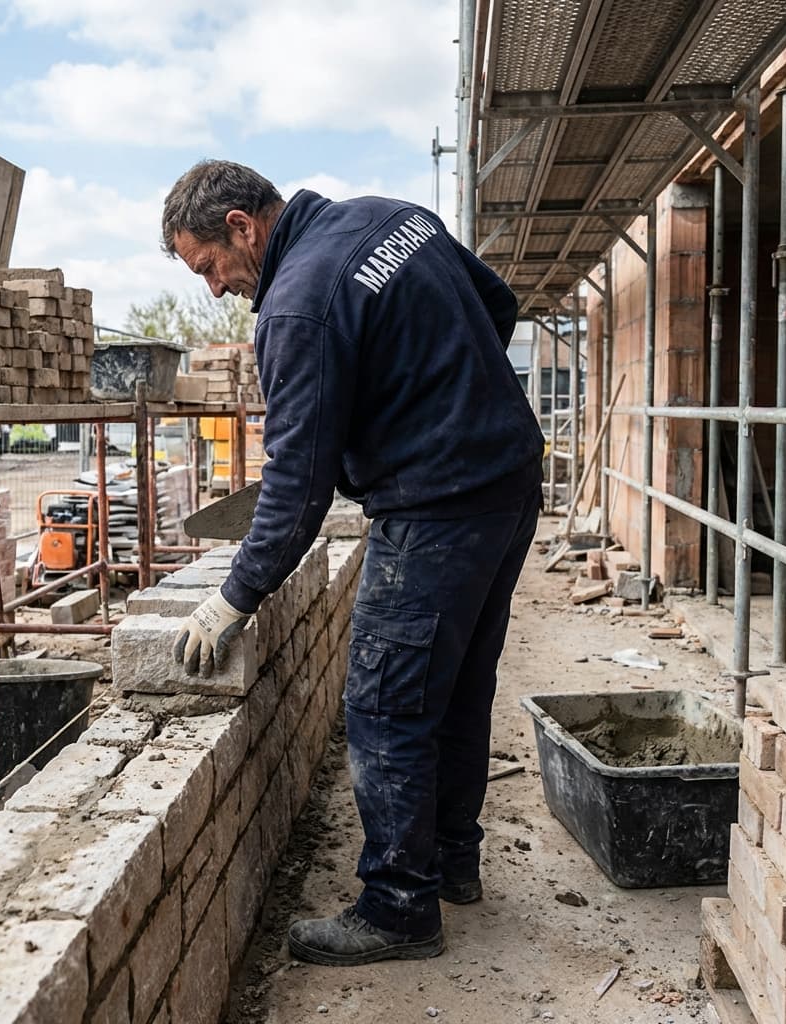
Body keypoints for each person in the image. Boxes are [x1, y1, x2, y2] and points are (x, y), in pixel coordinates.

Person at [163, 160, 544, 966]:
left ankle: (400, 906)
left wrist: (233, 598)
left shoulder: (298, 305)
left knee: (385, 704)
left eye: (209, 267)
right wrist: (439, 395)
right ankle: (451, 862)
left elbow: (299, 488)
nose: (216, 289)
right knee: (460, 685)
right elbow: (498, 306)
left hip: (437, 508)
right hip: (507, 485)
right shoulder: (391, 216)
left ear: (242, 226)